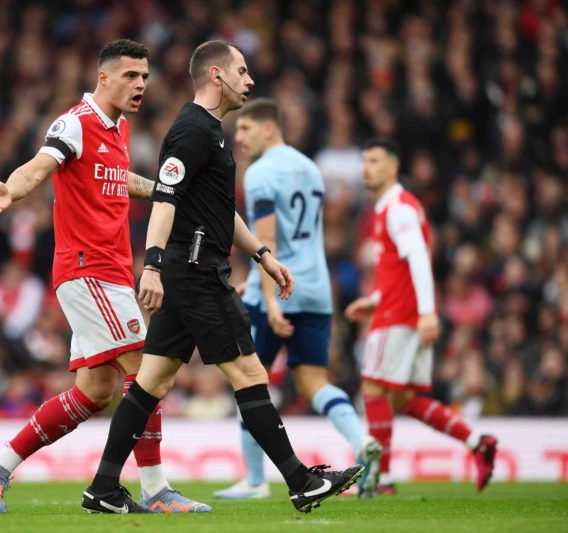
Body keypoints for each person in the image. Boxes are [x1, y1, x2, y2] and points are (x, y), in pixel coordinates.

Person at [80, 40, 363, 516]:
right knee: (250, 372)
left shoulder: (210, 134)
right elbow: (166, 200)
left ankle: (103, 487)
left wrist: (264, 256)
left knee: (151, 381)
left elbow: (218, 211)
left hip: (189, 267)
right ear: (216, 76)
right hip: (194, 269)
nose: (250, 81)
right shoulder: (191, 132)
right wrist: (150, 263)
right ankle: (300, 481)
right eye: (243, 70)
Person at [0, 39, 209, 514]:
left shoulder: (118, 130)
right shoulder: (75, 123)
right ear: (104, 78)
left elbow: (122, 184)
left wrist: (167, 191)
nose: (141, 84)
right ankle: (156, 490)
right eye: (130, 76)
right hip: (88, 269)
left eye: (144, 76)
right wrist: (11, 191)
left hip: (111, 271)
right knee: (149, 368)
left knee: (96, 391)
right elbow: (40, 166)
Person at [212, 98, 382, 501]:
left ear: (269, 128)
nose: (239, 137)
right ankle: (361, 441)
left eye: (246, 129)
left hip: (278, 284)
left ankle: (254, 480)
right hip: (316, 287)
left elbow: (267, 241)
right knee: (313, 380)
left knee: (247, 379)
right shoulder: (311, 168)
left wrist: (267, 299)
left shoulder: (259, 174)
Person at [345, 138, 498, 494]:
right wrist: (374, 298)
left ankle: (380, 477)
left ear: (393, 167)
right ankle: (478, 441)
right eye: (364, 160)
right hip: (400, 310)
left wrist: (428, 313)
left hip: (400, 317)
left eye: (375, 161)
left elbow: (418, 260)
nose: (366, 167)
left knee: (372, 387)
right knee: (402, 400)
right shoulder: (391, 208)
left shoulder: (397, 208)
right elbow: (401, 270)